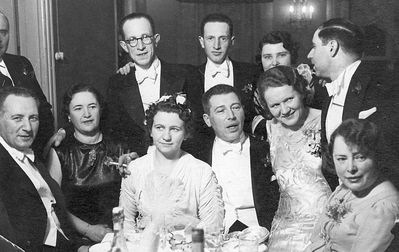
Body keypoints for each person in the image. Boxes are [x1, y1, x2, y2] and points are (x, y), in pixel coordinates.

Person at [307, 18, 399, 188]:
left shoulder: (380, 86)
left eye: (314, 46)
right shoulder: (330, 92)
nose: (309, 55)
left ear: (332, 47)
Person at [119, 93, 224, 232]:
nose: (166, 136)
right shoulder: (135, 169)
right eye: (159, 128)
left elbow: (213, 228)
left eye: (175, 129)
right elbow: (124, 221)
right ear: (150, 130)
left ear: (186, 133)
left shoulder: (201, 171)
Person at [0, 87, 88, 252]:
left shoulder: (31, 156)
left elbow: (55, 221)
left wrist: (82, 248)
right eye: (17, 118)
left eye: (33, 118)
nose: (27, 127)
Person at [257, 66, 332, 251]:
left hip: (326, 226)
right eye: (275, 105)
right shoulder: (269, 128)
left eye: (289, 99)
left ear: (301, 92)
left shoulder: (326, 120)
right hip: (283, 232)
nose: (284, 110)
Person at [46, 84, 127, 243]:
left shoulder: (120, 147)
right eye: (78, 108)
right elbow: (53, 204)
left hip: (120, 233)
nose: (87, 114)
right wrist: (88, 230)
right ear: (69, 115)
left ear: (100, 110)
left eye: (92, 106)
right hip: (77, 237)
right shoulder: (60, 152)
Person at [305, 119, 399, 251]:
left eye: (360, 157)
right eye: (342, 159)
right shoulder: (345, 190)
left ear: (376, 156)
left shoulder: (384, 206)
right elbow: (317, 240)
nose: (350, 168)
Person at [105, 13, 192, 155]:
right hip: (137, 164)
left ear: (156, 40)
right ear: (124, 46)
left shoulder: (184, 74)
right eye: (132, 40)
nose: (140, 47)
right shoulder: (117, 82)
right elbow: (107, 127)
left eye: (145, 38)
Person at [200, 84, 279, 233]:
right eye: (221, 111)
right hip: (218, 238)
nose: (231, 116)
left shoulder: (265, 149)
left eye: (236, 107)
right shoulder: (199, 156)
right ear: (207, 120)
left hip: (264, 236)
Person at [183, 13, 258, 157]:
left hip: (244, 153)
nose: (216, 46)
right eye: (210, 38)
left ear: (232, 41)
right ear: (201, 41)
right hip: (204, 155)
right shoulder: (189, 76)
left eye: (223, 39)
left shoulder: (251, 73)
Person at [0, 11, 54, 159]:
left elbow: (43, 109)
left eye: (3, 32)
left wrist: (48, 144)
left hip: (33, 153)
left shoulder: (21, 64)